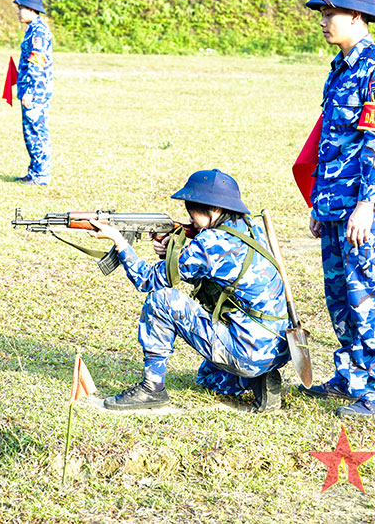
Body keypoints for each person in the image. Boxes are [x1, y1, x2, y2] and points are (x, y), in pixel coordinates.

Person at [89, 170, 291, 413]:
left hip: (248, 348)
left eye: (192, 210)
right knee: (208, 379)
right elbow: (213, 268)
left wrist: (119, 241)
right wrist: (175, 250)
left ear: (214, 210)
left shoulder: (209, 244)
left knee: (161, 300)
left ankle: (151, 388)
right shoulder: (250, 227)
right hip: (276, 345)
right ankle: (258, 377)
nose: (189, 217)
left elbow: (146, 280)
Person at [300, 0, 375, 419]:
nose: (324, 22)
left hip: (365, 209)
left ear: (357, 17)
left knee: (371, 296)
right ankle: (352, 377)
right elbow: (331, 141)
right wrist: (319, 204)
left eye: (331, 14)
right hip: (334, 205)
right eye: (323, 14)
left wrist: (367, 203)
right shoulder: (340, 68)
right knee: (341, 297)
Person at [13, 0, 53, 186]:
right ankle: (34, 172)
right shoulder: (32, 30)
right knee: (29, 132)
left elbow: (36, 63)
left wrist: (29, 91)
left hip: (35, 91)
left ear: (31, 10)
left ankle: (42, 175)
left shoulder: (38, 33)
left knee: (37, 131)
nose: (19, 12)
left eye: (21, 8)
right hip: (30, 89)